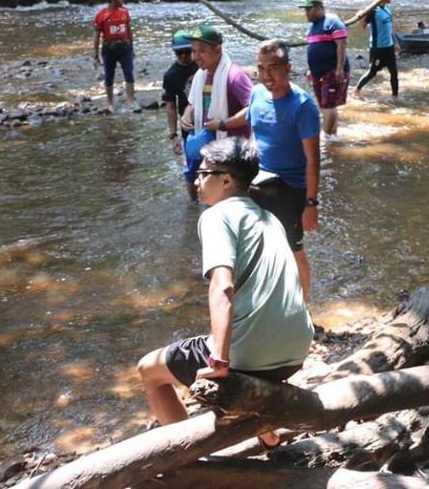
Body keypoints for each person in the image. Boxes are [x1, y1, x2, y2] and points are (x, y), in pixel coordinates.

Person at [136, 137, 313, 449]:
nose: (196, 180)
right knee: (241, 335)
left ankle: (188, 454)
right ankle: (265, 430)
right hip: (296, 350)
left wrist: (219, 359)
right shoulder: (269, 218)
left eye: (203, 174)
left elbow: (223, 286)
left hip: (253, 355)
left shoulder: (216, 216)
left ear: (227, 180)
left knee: (149, 370)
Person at [247, 39, 321, 302]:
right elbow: (252, 122)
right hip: (258, 181)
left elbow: (313, 159)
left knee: (293, 247)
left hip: (290, 187)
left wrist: (311, 204)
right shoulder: (256, 94)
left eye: (274, 68)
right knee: (258, 244)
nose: (267, 75)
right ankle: (268, 298)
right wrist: (218, 124)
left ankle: (302, 307)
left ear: (289, 68)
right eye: (261, 68)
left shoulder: (302, 106)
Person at [181, 25, 253, 184]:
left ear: (218, 49)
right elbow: (192, 103)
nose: (196, 56)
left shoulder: (235, 76)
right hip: (210, 146)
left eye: (202, 50)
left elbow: (254, 109)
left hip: (235, 153)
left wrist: (222, 124)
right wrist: (186, 115)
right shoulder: (201, 75)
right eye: (194, 51)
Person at [303, 0, 349, 135]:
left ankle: (327, 139)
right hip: (317, 72)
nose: (306, 13)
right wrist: (310, 69)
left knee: (329, 105)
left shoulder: (333, 22)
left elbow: (342, 44)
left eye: (308, 9)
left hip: (332, 70)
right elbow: (313, 49)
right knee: (324, 104)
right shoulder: (312, 27)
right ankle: (332, 135)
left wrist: (339, 68)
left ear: (318, 8)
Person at [161, 29, 199, 200]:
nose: (184, 55)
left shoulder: (202, 65)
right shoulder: (170, 75)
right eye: (179, 52)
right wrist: (173, 135)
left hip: (209, 120)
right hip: (188, 127)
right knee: (191, 168)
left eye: (187, 51)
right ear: (174, 51)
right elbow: (170, 106)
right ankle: (193, 204)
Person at [92, 0, 135, 111]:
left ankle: (130, 101)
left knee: (128, 73)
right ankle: (110, 103)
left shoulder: (125, 12)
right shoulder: (101, 15)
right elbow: (96, 35)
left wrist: (132, 47)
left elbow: (128, 30)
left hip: (125, 48)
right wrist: (95, 54)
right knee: (109, 76)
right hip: (109, 49)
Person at [355, 0, 399, 100]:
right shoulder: (373, 11)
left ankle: (395, 97)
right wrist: (361, 17)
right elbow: (362, 28)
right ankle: (357, 91)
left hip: (389, 47)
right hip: (377, 48)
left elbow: (389, 28)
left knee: (394, 73)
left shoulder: (388, 8)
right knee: (372, 72)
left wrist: (396, 43)